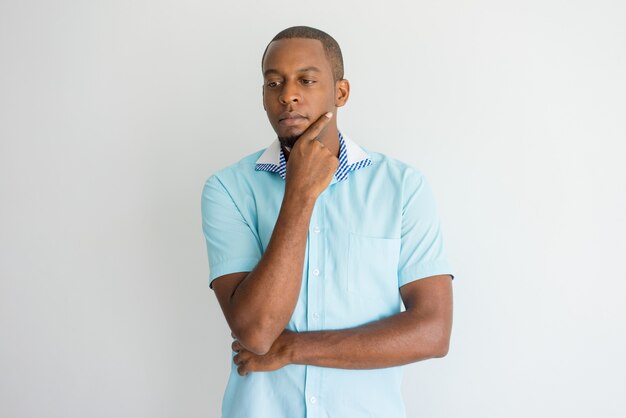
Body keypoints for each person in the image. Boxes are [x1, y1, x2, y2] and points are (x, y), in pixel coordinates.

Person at [201, 25, 454, 418]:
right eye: (273, 83)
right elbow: (256, 331)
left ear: (340, 92)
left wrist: (292, 349)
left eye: (306, 79)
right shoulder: (228, 189)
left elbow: (433, 332)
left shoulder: (402, 187)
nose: (288, 94)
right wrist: (299, 195)